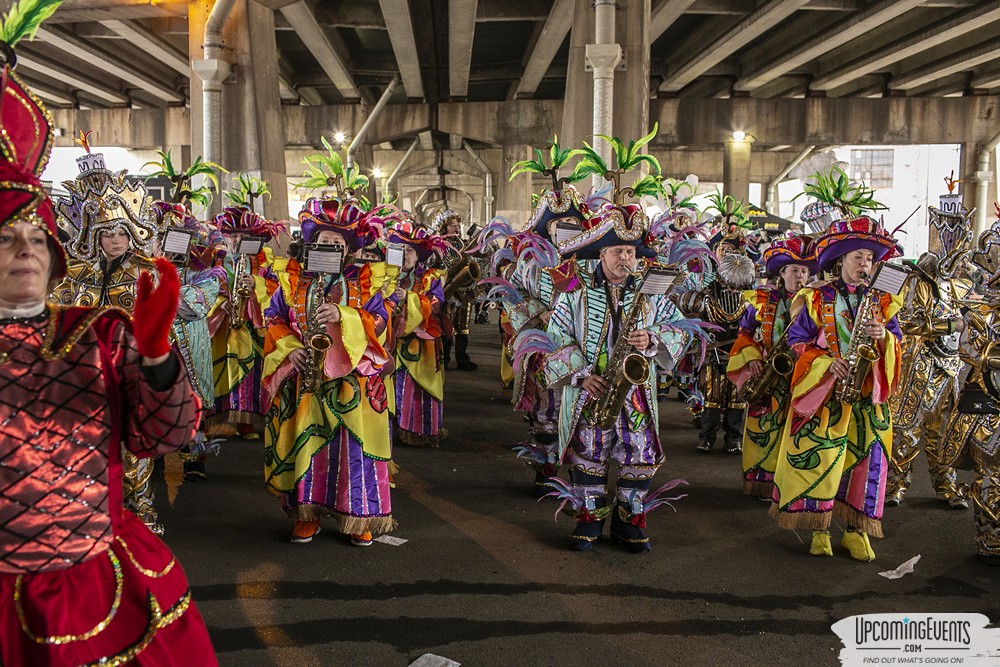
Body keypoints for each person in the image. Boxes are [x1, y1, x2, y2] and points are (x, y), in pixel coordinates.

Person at [0, 40, 217, 663]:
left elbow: (166, 435)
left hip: (95, 580)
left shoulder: (97, 333)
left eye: (35, 235)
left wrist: (157, 359)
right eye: (5, 235)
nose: (26, 249)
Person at [544, 202, 701, 553]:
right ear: (601, 253)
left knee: (638, 455)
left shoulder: (650, 291)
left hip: (636, 393)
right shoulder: (575, 290)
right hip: (592, 388)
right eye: (618, 251)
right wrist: (581, 376)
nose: (625, 259)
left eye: (630, 251)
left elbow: (680, 328)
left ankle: (629, 523)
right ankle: (589, 520)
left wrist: (653, 338)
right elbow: (554, 337)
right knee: (590, 452)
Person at [262, 196, 396, 546]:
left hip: (352, 384)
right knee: (306, 447)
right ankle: (307, 514)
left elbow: (382, 325)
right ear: (312, 242)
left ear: (350, 249)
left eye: (338, 242)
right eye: (324, 239)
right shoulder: (293, 279)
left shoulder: (366, 282)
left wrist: (346, 317)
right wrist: (290, 353)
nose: (330, 245)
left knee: (353, 449)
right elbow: (274, 319)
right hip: (304, 380)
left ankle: (357, 515)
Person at [770, 215, 902, 562]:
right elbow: (797, 341)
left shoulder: (883, 302)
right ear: (841, 260)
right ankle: (820, 528)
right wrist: (826, 363)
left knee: (866, 463)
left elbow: (899, 342)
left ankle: (857, 531)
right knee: (822, 461)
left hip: (866, 397)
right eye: (858, 257)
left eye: (870, 259)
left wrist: (884, 337)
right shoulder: (816, 298)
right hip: (826, 394)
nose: (865, 265)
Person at [52, 133, 166, 533]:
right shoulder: (76, 274)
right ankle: (100, 512)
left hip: (131, 374)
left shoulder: (146, 273)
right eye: (106, 234)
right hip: (87, 376)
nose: (114, 241)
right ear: (94, 237)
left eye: (120, 233)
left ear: (131, 233)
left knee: (135, 450)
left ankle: (144, 513)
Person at [887, 207, 974, 509]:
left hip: (949, 368)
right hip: (919, 365)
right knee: (905, 428)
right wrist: (953, 324)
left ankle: (946, 487)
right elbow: (909, 322)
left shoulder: (959, 283)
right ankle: (896, 485)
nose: (963, 261)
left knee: (944, 430)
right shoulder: (918, 280)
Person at [728, 235, 816, 500]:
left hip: (801, 374)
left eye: (804, 271)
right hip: (768, 371)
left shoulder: (815, 302)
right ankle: (761, 480)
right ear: (782, 272)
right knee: (763, 426)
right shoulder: (764, 299)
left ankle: (788, 483)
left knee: (797, 431)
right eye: (794, 270)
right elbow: (744, 331)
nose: (799, 276)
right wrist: (752, 357)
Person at [937, 211, 1000, 564]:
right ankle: (990, 538)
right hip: (988, 404)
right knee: (991, 473)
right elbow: (968, 349)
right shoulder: (980, 307)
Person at [207, 205, 285, 438]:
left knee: (250, 372)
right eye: (232, 235)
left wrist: (257, 285)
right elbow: (202, 286)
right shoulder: (214, 260)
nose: (237, 239)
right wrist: (220, 303)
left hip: (252, 326)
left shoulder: (265, 262)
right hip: (221, 325)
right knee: (218, 369)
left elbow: (280, 291)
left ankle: (246, 420)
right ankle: (216, 418)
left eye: (242, 235)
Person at [681, 226, 756, 455]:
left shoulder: (749, 297)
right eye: (721, 249)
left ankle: (733, 437)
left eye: (729, 250)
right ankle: (707, 437)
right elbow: (688, 309)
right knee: (711, 395)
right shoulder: (706, 289)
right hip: (712, 351)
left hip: (739, 351)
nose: (725, 254)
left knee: (737, 396)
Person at [385, 217, 448, 446]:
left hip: (421, 343)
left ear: (418, 255)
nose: (404, 254)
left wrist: (410, 299)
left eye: (410, 250)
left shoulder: (429, 277)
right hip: (389, 342)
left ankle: (418, 430)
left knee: (417, 388)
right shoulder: (383, 276)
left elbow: (436, 304)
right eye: (400, 249)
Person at [433, 209, 479, 371]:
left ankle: (462, 358)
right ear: (444, 227)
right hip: (448, 291)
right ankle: (444, 358)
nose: (457, 228)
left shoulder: (462, 243)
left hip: (464, 290)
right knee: (447, 327)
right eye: (453, 225)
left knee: (463, 327)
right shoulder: (439, 243)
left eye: (458, 225)